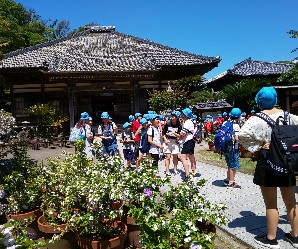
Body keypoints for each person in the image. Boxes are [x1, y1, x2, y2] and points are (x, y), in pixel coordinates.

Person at [239, 86, 298, 249]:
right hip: (287, 160)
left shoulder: (255, 119)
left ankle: (271, 239)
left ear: (259, 101)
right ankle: (296, 237)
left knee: (271, 203)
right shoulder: (289, 116)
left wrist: (258, 146)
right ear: (276, 100)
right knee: (291, 202)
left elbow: (241, 135)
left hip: (268, 160)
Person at [222, 108, 241, 189]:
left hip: (225, 147)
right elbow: (237, 138)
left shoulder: (225, 123)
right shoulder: (236, 126)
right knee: (233, 165)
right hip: (233, 148)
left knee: (229, 164)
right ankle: (231, 182)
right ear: (238, 117)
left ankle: (227, 179)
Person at [162, 111, 182, 175]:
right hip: (168, 141)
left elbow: (180, 136)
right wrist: (165, 140)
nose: (172, 118)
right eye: (172, 116)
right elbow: (163, 134)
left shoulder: (179, 126)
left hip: (175, 142)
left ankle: (175, 169)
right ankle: (167, 170)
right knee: (167, 157)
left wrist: (174, 133)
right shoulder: (167, 124)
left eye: (173, 116)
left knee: (175, 157)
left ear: (177, 118)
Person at [179, 108, 196, 179]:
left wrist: (175, 134)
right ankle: (193, 171)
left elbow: (182, 134)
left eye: (182, 114)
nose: (181, 115)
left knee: (182, 157)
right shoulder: (190, 122)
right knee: (191, 156)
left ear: (185, 115)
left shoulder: (187, 123)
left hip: (187, 141)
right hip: (191, 141)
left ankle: (187, 174)